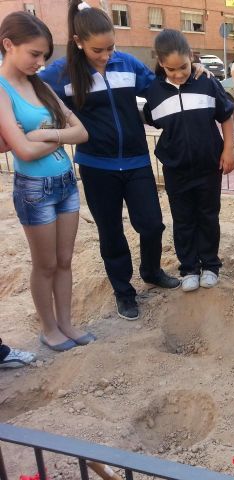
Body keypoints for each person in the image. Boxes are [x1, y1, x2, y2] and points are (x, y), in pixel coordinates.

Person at [39, 0, 182, 321]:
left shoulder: (127, 64)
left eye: (110, 47)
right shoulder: (60, 74)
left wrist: (187, 74)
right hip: (97, 167)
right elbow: (35, 96)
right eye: (97, 50)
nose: (107, 55)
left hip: (136, 162)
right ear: (78, 42)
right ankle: (124, 292)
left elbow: (160, 87)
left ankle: (151, 270)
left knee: (152, 224)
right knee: (111, 232)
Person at [0, 12, 94, 352]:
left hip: (66, 181)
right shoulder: (3, 89)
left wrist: (46, 134)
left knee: (66, 260)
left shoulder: (40, 85)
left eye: (44, 56)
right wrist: (59, 137)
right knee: (46, 264)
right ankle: (48, 327)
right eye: (34, 54)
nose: (40, 63)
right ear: (9, 45)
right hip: (34, 190)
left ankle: (66, 322)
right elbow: (23, 151)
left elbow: (81, 132)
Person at [142, 29, 234, 292]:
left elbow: (226, 115)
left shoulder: (207, 82)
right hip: (176, 168)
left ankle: (210, 265)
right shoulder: (154, 91)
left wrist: (228, 149)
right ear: (161, 63)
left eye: (183, 67)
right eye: (171, 69)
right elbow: (153, 120)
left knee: (208, 215)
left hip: (208, 165)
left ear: (191, 58)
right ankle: (189, 268)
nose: (179, 74)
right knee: (183, 219)